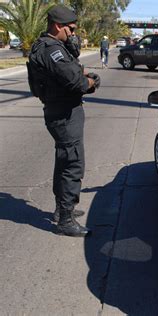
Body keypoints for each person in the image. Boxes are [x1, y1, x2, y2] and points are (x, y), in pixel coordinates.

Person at [27, 5, 100, 237]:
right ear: (58, 26)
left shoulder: (50, 46)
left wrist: (81, 75)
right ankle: (65, 220)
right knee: (72, 163)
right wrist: (91, 82)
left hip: (62, 111)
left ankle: (61, 209)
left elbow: (71, 74)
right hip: (64, 115)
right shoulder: (51, 50)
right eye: (71, 29)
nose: (73, 34)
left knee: (64, 160)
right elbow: (75, 81)